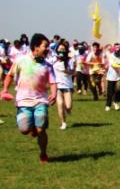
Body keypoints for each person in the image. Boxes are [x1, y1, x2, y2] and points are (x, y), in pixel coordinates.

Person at [1, 33, 57, 163]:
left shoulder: (48, 66)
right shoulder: (21, 61)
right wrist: (5, 89)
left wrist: (54, 93)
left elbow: (53, 82)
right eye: (45, 46)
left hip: (41, 101)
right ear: (36, 47)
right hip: (23, 101)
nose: (47, 49)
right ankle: (31, 128)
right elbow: (10, 75)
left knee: (41, 128)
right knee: (24, 130)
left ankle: (43, 153)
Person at [52, 42, 75, 129]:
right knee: (60, 104)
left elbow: (74, 72)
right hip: (57, 86)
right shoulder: (53, 60)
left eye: (63, 49)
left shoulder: (69, 60)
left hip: (67, 86)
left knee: (68, 106)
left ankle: (68, 110)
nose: (61, 50)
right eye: (60, 48)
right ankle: (63, 123)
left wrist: (66, 71)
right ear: (57, 50)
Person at [105, 44, 120, 111]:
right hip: (111, 76)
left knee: (119, 89)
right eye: (116, 50)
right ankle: (108, 105)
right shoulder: (111, 56)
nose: (118, 52)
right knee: (110, 92)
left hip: (119, 76)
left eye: (119, 50)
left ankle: (115, 102)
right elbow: (113, 65)